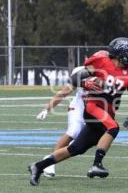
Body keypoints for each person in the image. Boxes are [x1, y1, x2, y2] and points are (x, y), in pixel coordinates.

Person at [28, 37, 128, 186]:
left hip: (107, 112)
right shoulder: (102, 63)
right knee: (113, 127)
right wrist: (89, 83)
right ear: (120, 54)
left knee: (76, 149)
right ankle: (96, 165)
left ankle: (38, 166)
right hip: (93, 108)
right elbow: (75, 79)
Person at [35, 50, 109, 178]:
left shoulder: (111, 74)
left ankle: (96, 166)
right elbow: (64, 92)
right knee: (74, 132)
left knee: (96, 138)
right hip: (79, 108)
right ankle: (49, 162)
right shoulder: (82, 72)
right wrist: (47, 108)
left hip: (95, 110)